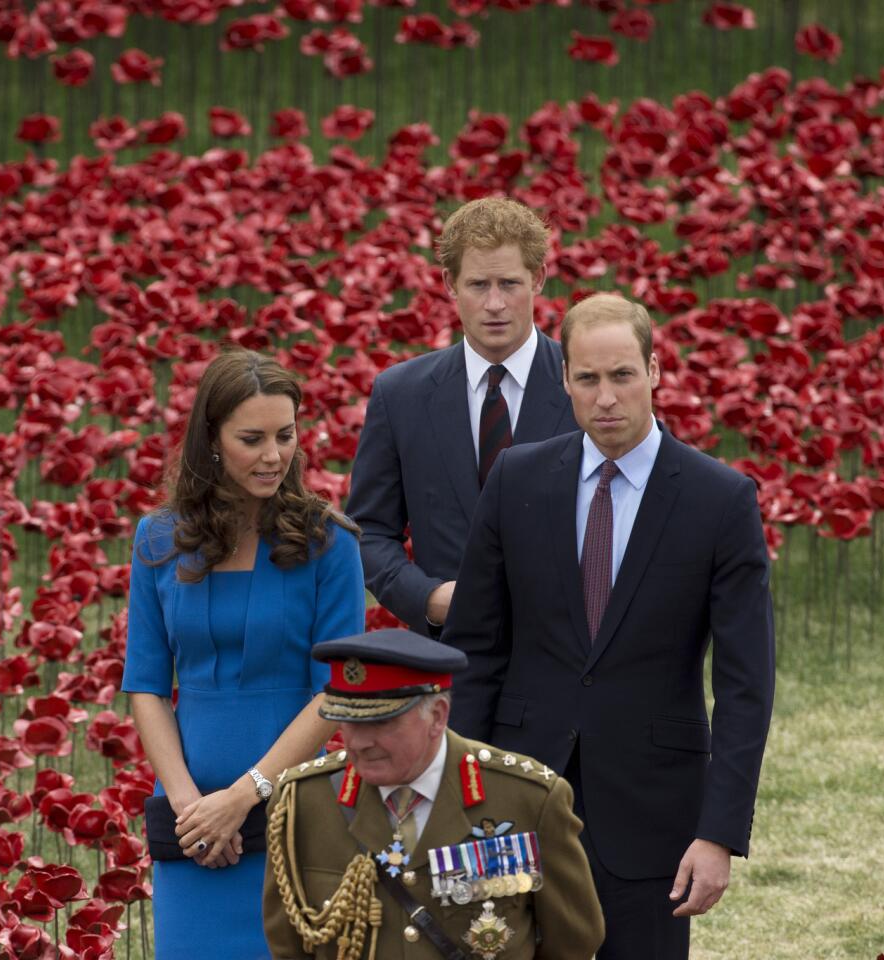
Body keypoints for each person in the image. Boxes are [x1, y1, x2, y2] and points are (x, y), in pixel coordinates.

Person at [442, 294, 776, 958]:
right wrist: (458, 806)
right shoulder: (516, 479)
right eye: (588, 378)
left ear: (655, 371)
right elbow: (475, 650)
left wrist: (719, 835)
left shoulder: (721, 500)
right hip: (514, 804)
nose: (606, 397)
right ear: (563, 379)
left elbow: (745, 686)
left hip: (653, 815)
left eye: (623, 375)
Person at [122, 349, 366, 960]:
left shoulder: (328, 544)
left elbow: (336, 690)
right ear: (211, 440)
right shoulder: (157, 539)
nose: (273, 456)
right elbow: (146, 685)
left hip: (292, 809)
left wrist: (244, 795)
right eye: (251, 439)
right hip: (191, 820)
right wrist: (190, 808)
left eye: (285, 436)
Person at [262, 629, 604, 960]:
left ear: (437, 716)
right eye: (348, 722)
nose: (359, 743)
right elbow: (289, 946)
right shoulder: (302, 803)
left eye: (380, 724)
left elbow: (573, 943)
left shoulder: (529, 799)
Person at [347, 196, 579, 636]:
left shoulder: (586, 387)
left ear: (539, 279)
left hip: (568, 659)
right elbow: (371, 532)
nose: (494, 304)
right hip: (449, 659)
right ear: (450, 283)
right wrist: (428, 599)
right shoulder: (400, 395)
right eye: (478, 285)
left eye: (509, 284)